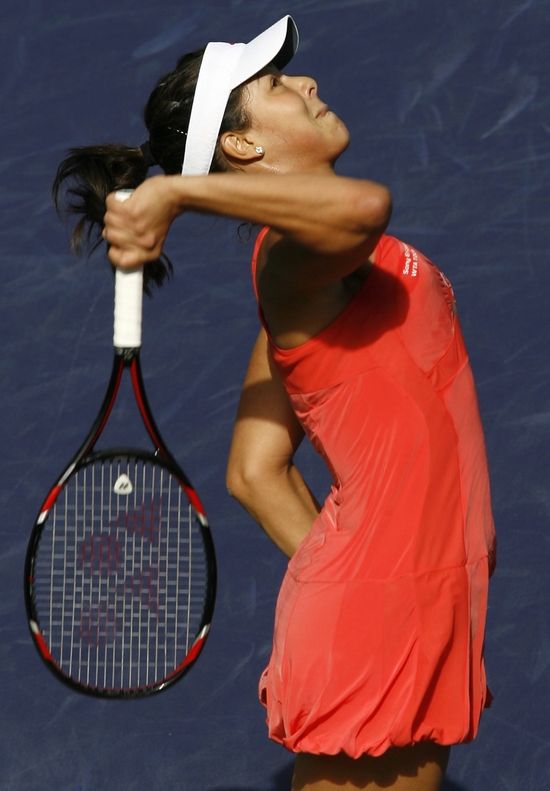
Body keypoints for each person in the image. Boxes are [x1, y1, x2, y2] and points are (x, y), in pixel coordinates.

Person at [54, 16, 496, 791]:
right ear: (243, 147)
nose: (309, 83)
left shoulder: (307, 281)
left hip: (422, 603)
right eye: (279, 85)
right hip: (389, 617)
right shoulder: (294, 264)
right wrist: (178, 194)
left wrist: (379, 578)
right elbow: (365, 207)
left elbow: (255, 470)